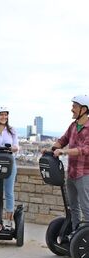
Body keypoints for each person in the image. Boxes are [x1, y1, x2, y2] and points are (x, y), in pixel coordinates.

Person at [50, 95, 89, 231]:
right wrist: (53, 149)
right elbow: (63, 139)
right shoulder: (73, 126)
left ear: (84, 109)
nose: (71, 109)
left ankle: (86, 238)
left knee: (86, 208)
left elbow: (85, 149)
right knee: (73, 207)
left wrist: (64, 152)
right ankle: (76, 233)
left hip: (84, 174)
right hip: (71, 173)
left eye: (74, 106)